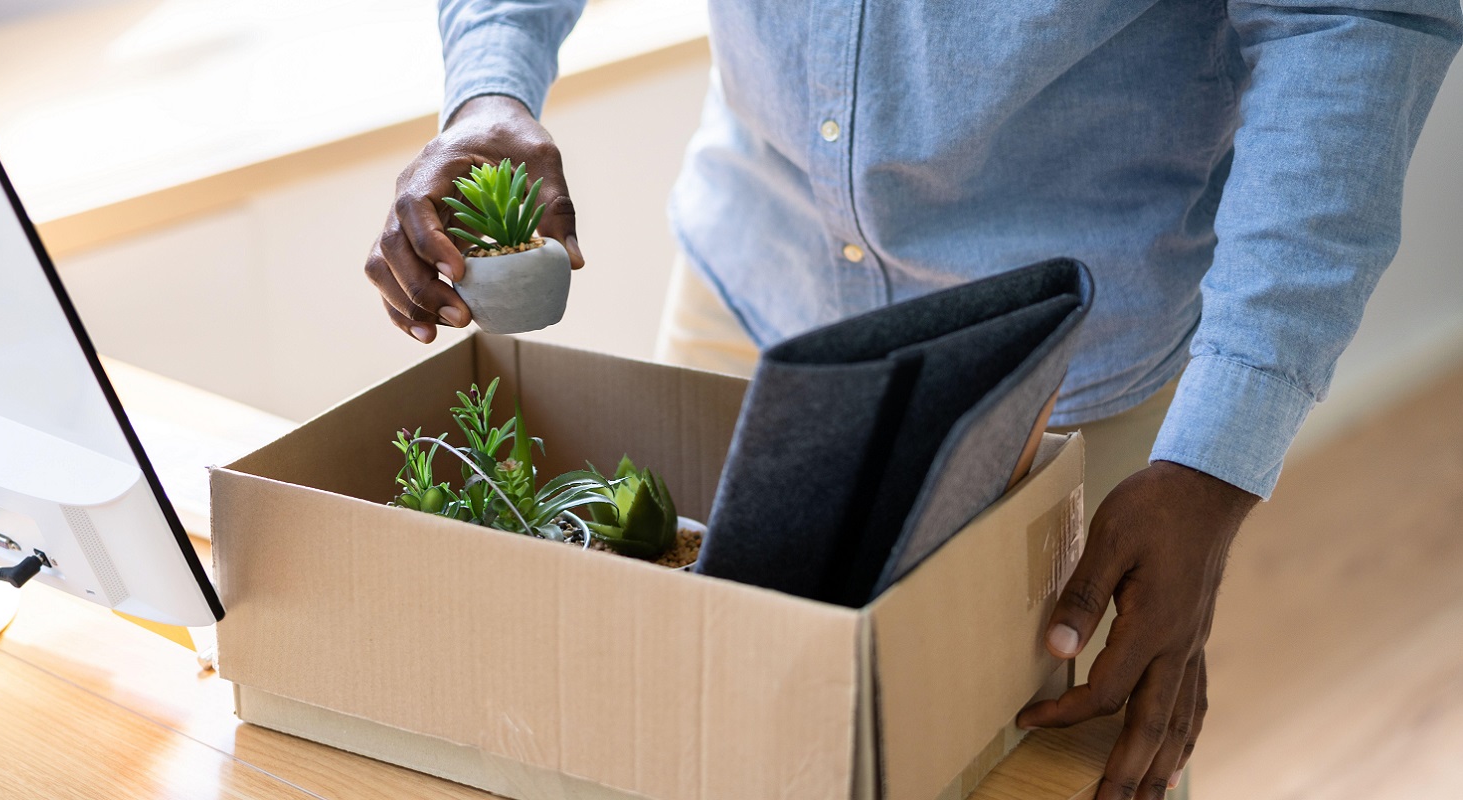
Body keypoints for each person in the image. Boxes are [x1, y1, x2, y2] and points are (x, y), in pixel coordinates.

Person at [363, 2, 1461, 797]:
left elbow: (1353, 19)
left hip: (1058, 380)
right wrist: (492, 77)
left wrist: (1220, 453)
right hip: (751, 288)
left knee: (1031, 773)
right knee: (687, 746)